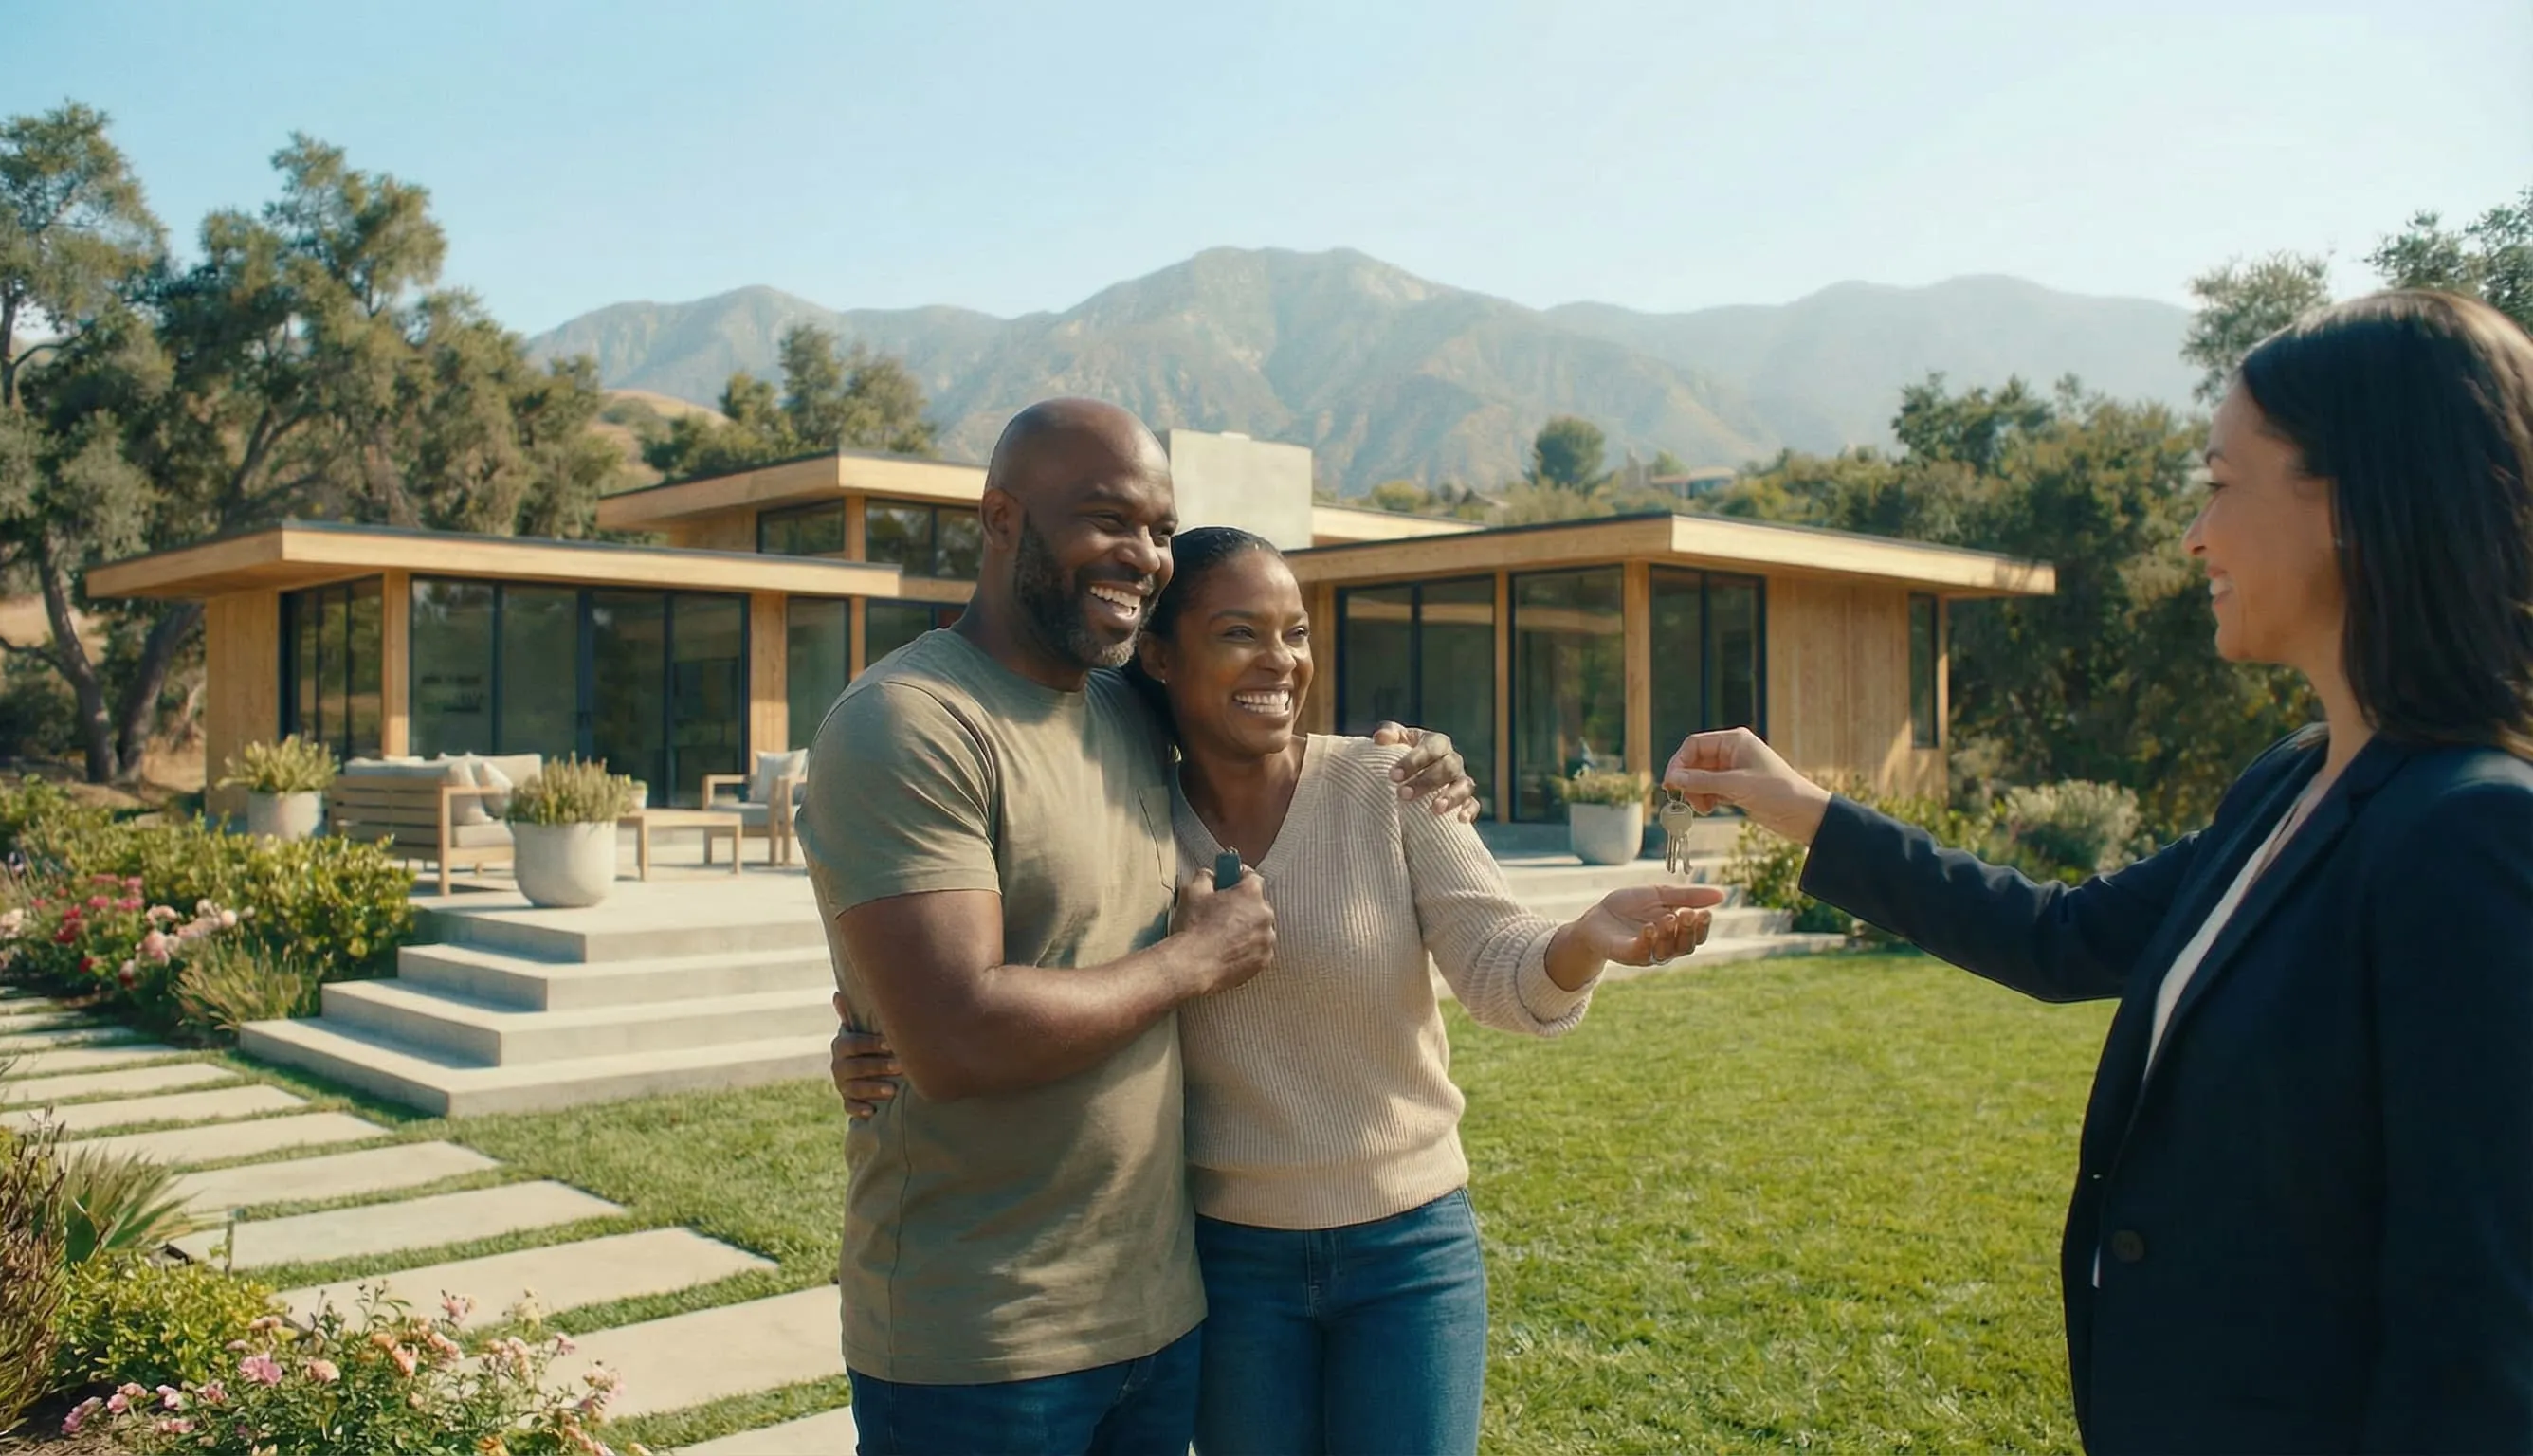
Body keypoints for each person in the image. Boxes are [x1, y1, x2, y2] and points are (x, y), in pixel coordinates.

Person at [1665, 290, 2533, 1455]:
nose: (2193, 535)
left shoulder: (2469, 837)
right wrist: (1802, 809)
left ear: (2357, 500)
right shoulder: (2291, 782)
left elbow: (2475, 1332)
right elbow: (2059, 939)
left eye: (2222, 484)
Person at [836, 526, 1726, 1455]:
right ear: (1160, 656)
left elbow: (1499, 965)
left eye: (1295, 633)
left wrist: (1583, 940)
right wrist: (875, 1028)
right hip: (1227, 1266)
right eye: (1238, 634)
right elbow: (1032, 956)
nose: (1279, 661)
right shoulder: (1132, 818)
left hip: (1408, 1255)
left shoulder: (1392, 782)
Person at [795, 397, 1478, 1456]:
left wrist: (1414, 756)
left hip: (1163, 1321)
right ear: (1001, 517)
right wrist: (1190, 960)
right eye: (1107, 519)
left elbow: (1259, 710)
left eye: (1159, 530)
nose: (1144, 555)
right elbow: (957, 1037)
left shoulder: (1121, 708)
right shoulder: (907, 722)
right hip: (980, 1343)